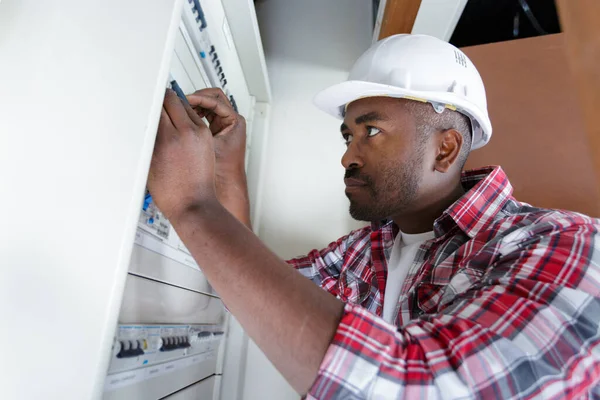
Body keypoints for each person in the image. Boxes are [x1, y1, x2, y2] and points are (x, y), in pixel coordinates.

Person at [148, 34, 600, 399]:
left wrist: (193, 205)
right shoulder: (366, 251)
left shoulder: (569, 245)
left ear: (445, 148)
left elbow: (412, 386)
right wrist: (227, 171)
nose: (347, 155)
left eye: (372, 130)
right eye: (348, 134)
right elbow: (247, 289)